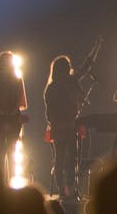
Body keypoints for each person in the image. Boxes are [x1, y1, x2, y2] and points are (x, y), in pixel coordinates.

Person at [43, 38, 101, 197]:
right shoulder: (68, 82)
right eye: (67, 67)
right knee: (70, 159)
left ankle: (64, 189)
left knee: (61, 159)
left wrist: (96, 48)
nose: (70, 69)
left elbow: (49, 112)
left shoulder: (51, 87)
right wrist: (96, 47)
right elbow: (85, 68)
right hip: (67, 126)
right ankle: (68, 188)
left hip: (60, 126)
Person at [0, 51, 27, 181]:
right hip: (13, 118)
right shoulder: (17, 79)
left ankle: (1, 181)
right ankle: (11, 180)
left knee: (0, 151)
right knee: (11, 151)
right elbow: (20, 101)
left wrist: (1, 112)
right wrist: (11, 112)